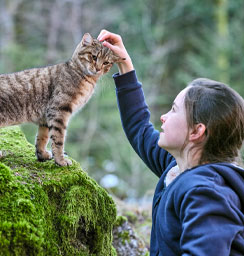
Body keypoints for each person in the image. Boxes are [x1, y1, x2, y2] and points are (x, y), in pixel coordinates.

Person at [97, 29, 244, 255]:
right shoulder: (179, 167)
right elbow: (139, 128)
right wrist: (124, 65)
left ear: (197, 131)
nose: (164, 117)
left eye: (174, 110)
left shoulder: (207, 193)